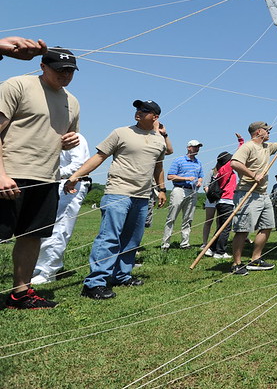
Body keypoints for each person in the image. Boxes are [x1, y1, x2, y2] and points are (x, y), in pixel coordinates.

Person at [66, 99, 173, 300]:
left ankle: (121, 275)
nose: (138, 112)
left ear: (155, 117)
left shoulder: (159, 140)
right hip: (118, 192)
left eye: (145, 110)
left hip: (142, 197)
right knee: (109, 237)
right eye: (138, 109)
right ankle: (94, 284)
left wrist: (161, 190)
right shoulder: (121, 133)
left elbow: (158, 167)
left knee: (132, 239)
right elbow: (99, 157)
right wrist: (76, 176)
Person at [0, 47, 80, 309]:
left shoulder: (72, 100)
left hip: (46, 177)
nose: (65, 76)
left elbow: (61, 136)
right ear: (43, 66)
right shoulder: (17, 85)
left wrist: (69, 142)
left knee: (32, 236)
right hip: (11, 174)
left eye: (70, 71)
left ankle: (20, 293)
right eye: (60, 70)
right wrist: (0, 174)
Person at [229, 120, 277, 275]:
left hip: (263, 195)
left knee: (267, 225)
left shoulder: (266, 147)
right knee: (242, 230)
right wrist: (253, 175)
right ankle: (236, 264)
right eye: (267, 130)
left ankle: (255, 259)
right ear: (258, 132)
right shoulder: (248, 146)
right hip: (247, 193)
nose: (269, 132)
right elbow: (234, 163)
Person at [31, 133, 92, 284]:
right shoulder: (52, 137)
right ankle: (40, 267)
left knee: (60, 227)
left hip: (72, 185)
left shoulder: (75, 138)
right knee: (47, 227)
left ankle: (49, 272)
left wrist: (52, 173)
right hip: (55, 184)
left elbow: (79, 165)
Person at [161, 139, 203, 249]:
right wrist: (185, 178)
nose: (197, 149)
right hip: (179, 189)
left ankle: (184, 243)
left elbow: (201, 176)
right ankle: (165, 244)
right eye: (195, 147)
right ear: (189, 148)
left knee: (188, 218)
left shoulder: (198, 163)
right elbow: (170, 176)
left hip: (192, 191)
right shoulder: (178, 160)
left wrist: (199, 182)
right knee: (172, 217)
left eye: (198, 147)